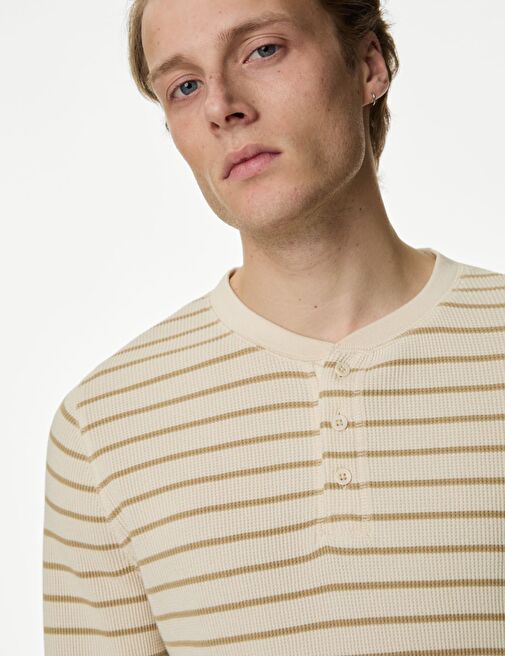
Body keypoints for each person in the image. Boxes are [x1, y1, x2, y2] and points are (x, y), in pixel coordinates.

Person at [42, 0, 505, 653]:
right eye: (185, 86)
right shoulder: (103, 430)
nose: (221, 106)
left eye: (262, 50)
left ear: (368, 64)